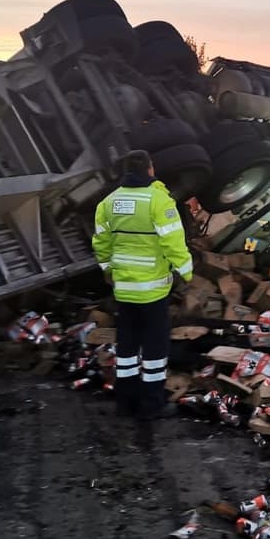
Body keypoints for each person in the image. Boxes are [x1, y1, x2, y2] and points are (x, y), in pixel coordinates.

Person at [91, 149, 193, 420]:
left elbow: (101, 242)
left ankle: (125, 401)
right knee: (154, 348)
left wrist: (107, 269)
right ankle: (151, 404)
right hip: (153, 290)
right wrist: (187, 272)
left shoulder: (109, 203)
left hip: (124, 289)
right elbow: (173, 242)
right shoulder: (159, 201)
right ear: (150, 169)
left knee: (126, 346)